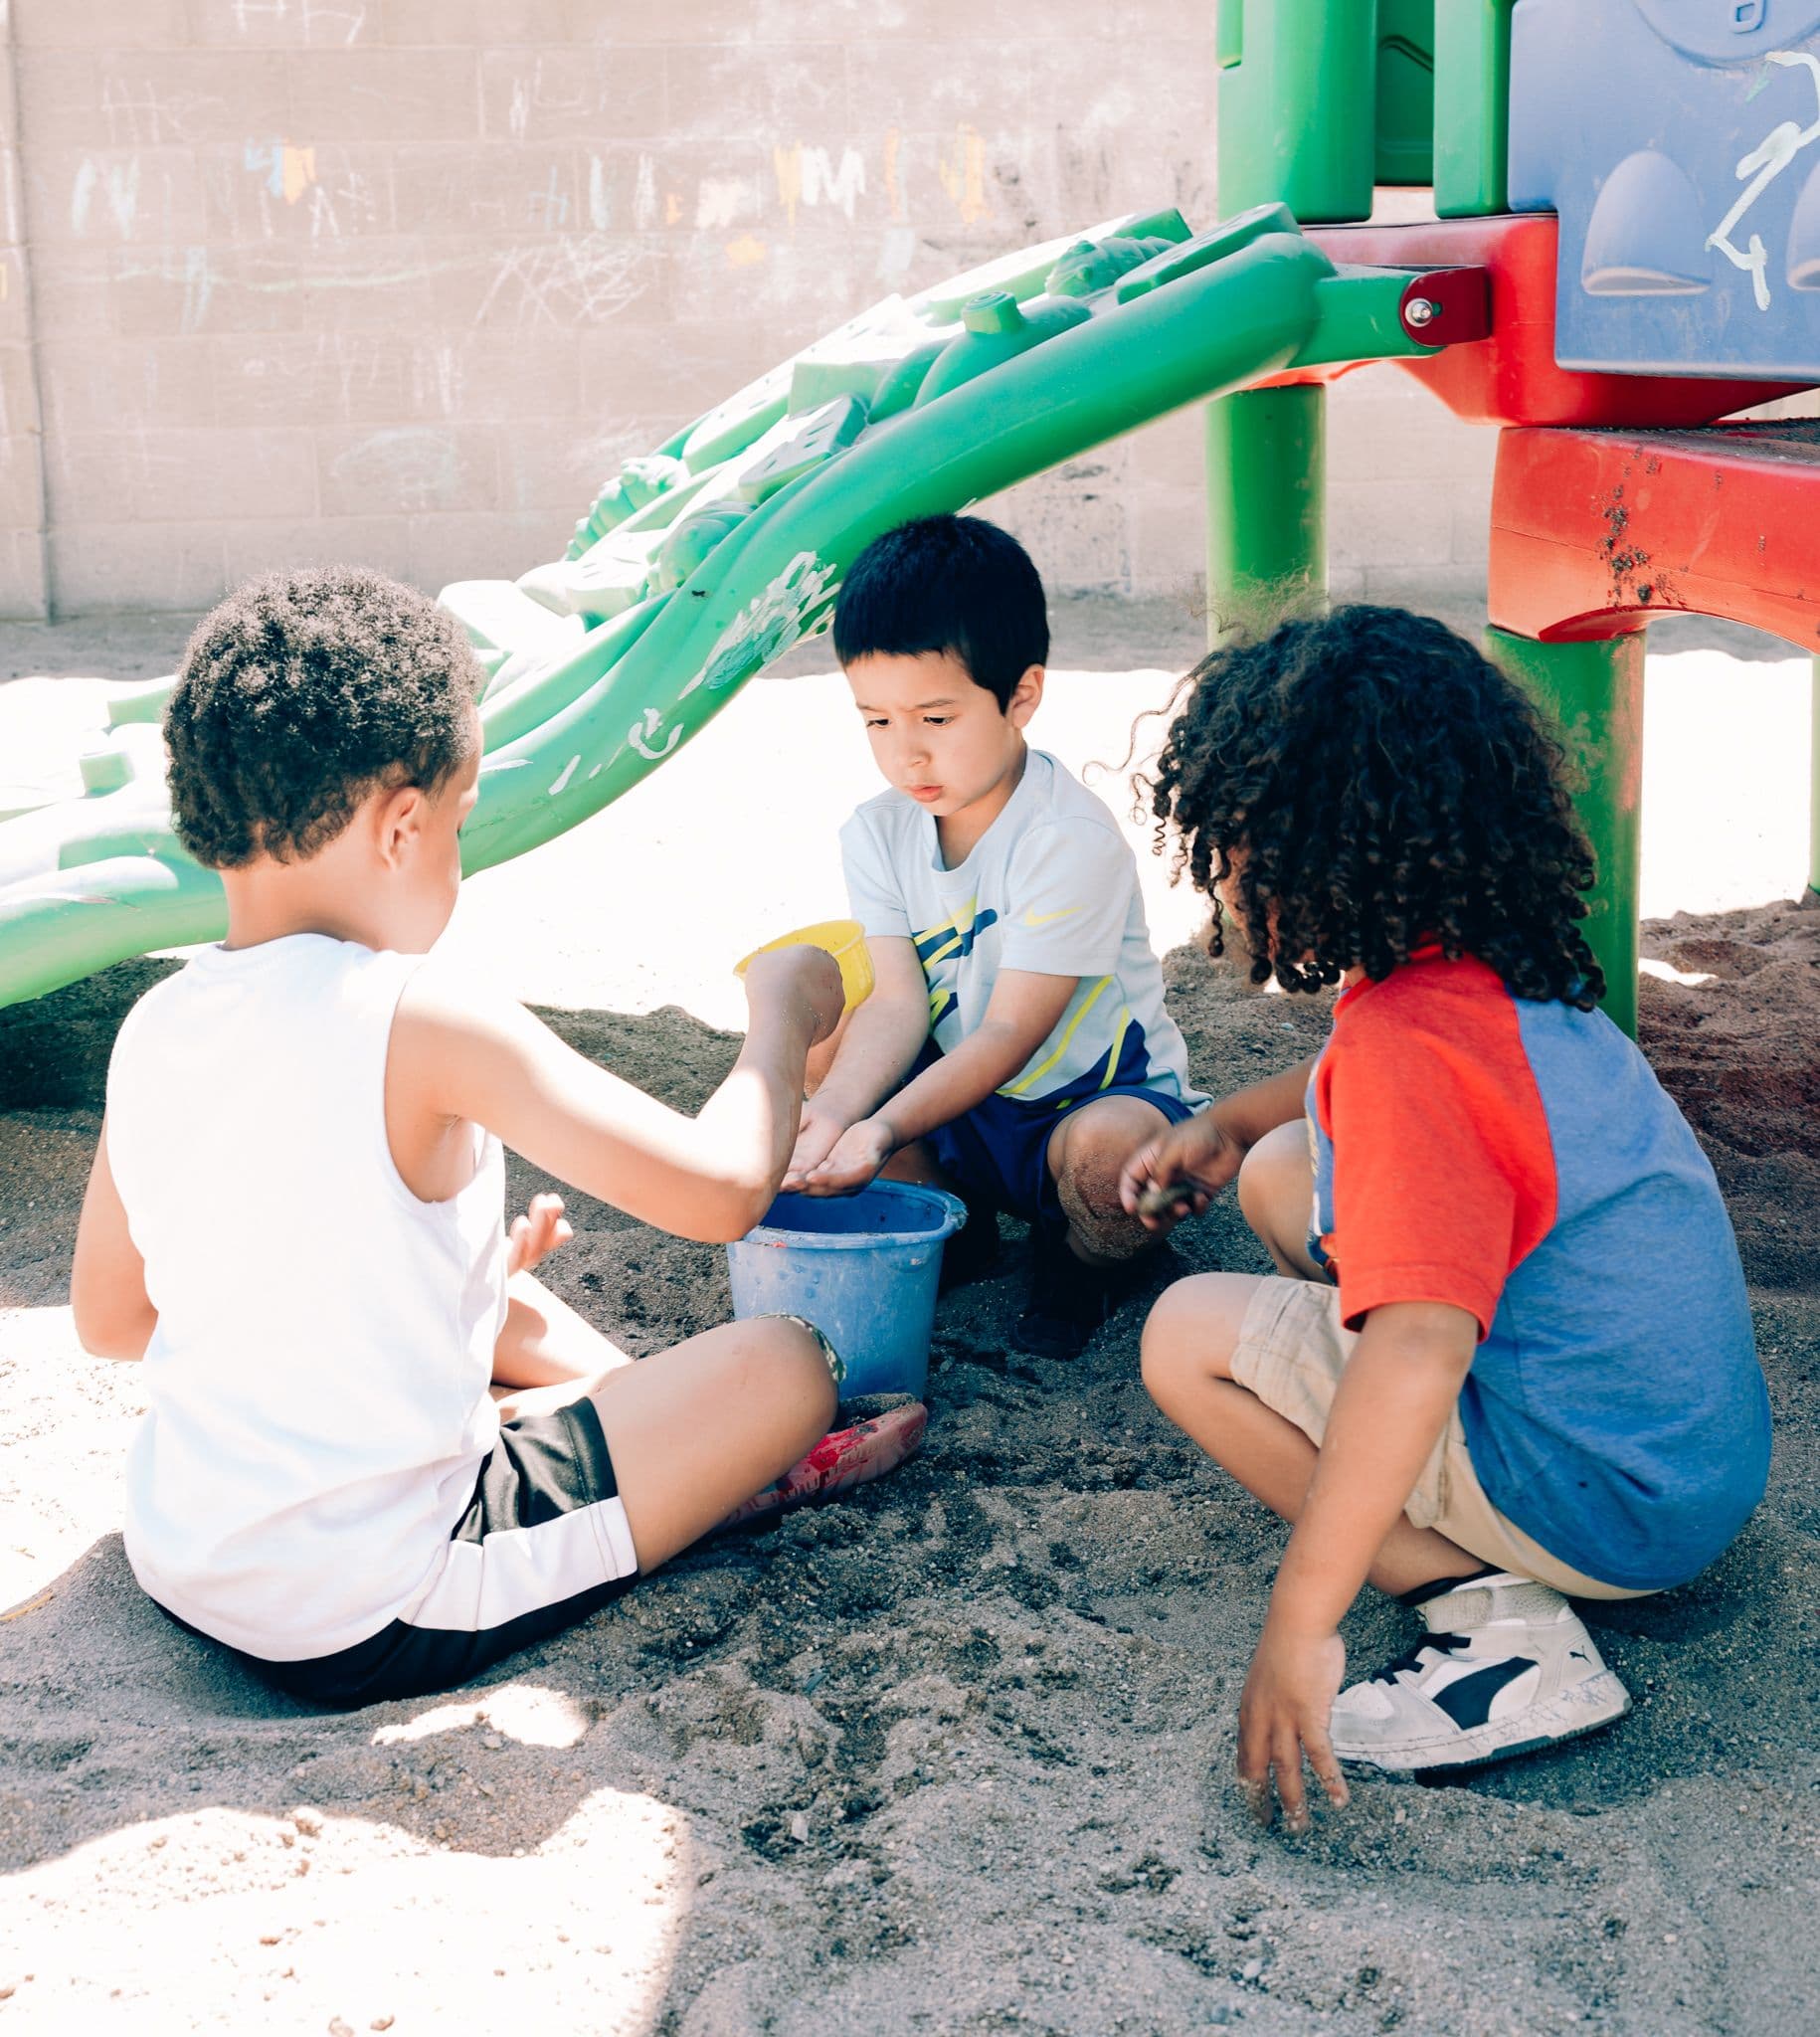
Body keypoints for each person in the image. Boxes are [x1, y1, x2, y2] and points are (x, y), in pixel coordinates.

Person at [69, 567, 899, 1710]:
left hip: (186, 1549)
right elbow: (718, 1192)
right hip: (375, 1600)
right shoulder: (420, 1012)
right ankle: (700, 1462)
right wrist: (782, 1016)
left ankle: (616, 1408)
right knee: (788, 1361)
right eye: (458, 826)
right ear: (404, 824)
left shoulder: (153, 1024)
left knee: (500, 1298)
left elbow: (114, 1319)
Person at [1125, 605, 1769, 1827]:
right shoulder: (1501, 975)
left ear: (1319, 851)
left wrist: (1298, 1620)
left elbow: (1421, 1340)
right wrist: (1225, 1122)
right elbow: (1347, 1105)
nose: (1220, 874)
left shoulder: (1411, 1051)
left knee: (1186, 1331)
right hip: (1684, 1464)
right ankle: (1439, 1492)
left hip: (1593, 1501)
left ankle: (1494, 1622)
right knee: (1279, 1166)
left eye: (1239, 843)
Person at [785, 514, 1204, 1359]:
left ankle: (1084, 1265)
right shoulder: (877, 833)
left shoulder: (1063, 839)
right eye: (876, 722)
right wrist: (831, 1116)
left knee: (1109, 1158)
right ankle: (959, 1235)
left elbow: (1014, 1032)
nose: (906, 755)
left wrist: (880, 1129)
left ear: (1022, 695)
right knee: (831, 1053)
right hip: (967, 1116)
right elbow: (900, 1000)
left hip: (1089, 1100)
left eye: (935, 719)